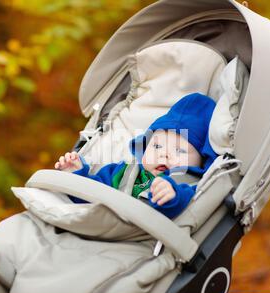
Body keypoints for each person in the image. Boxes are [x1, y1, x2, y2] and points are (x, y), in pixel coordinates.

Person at [55, 93, 218, 218]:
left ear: (201, 161)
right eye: (157, 145)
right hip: (101, 226)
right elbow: (91, 197)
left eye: (180, 151)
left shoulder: (189, 185)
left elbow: (184, 209)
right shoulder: (121, 171)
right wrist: (76, 175)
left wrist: (172, 198)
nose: (164, 154)